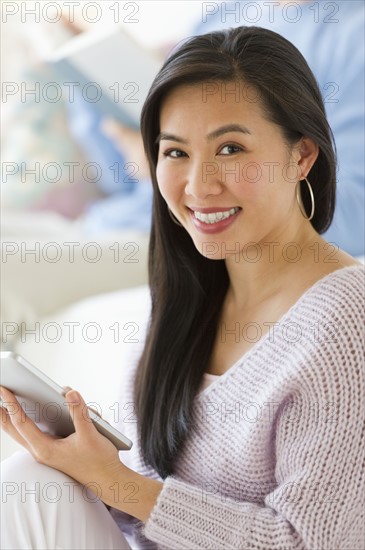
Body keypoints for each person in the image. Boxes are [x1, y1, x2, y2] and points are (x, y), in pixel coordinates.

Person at [1, 26, 364, 550]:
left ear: (302, 156)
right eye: (175, 153)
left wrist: (118, 483)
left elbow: (310, 543)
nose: (199, 185)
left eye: (231, 148)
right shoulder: (190, 296)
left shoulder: (346, 322)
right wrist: (86, 466)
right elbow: (154, 513)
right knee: (31, 483)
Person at [68, 0, 365, 256]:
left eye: (231, 149)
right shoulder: (218, 17)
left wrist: (171, 163)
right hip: (112, 221)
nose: (199, 184)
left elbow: (355, 215)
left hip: (171, 242)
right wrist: (86, 86)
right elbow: (120, 184)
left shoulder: (353, 35)